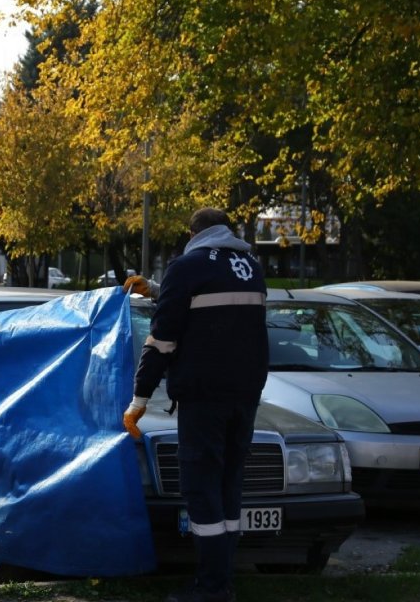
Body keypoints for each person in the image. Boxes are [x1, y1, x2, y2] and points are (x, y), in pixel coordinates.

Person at [122, 208, 269, 602]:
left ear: (194, 233)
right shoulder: (251, 266)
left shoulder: (186, 265)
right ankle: (225, 580)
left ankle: (211, 587)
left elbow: (163, 340)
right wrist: (156, 289)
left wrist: (139, 399)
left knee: (202, 489)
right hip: (245, 396)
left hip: (204, 398)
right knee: (228, 488)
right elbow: (211, 309)